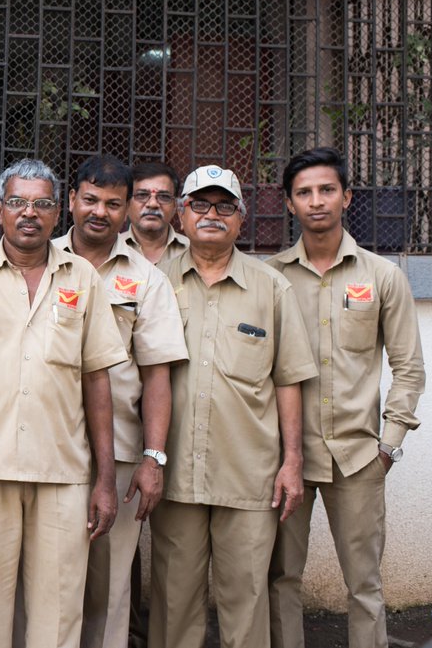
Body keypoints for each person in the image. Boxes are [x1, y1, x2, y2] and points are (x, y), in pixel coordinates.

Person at [0, 158, 127, 648]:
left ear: (57, 211)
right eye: (18, 202)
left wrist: (105, 479)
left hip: (63, 472)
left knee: (59, 613)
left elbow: (97, 381)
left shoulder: (82, 277)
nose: (29, 213)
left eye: (42, 203)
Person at [149, 165, 316, 648]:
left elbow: (288, 379)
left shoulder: (271, 288)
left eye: (225, 206)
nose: (212, 215)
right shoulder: (154, 283)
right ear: (181, 214)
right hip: (174, 474)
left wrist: (292, 462)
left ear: (241, 220)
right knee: (173, 603)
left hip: (249, 476)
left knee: (246, 602)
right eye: (200, 204)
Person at [267, 147, 426, 648]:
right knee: (281, 579)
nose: (317, 201)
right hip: (284, 458)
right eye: (304, 192)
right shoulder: (269, 277)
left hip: (358, 458)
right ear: (290, 204)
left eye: (327, 190)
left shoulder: (382, 277)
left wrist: (389, 445)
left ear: (347, 196)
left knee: (364, 586)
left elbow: (409, 368)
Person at [49, 156, 187, 648]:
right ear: (71, 201)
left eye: (113, 203)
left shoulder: (147, 280)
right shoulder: (41, 262)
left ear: (127, 208)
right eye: (90, 200)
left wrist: (154, 457)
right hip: (48, 449)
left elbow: (157, 376)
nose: (100, 212)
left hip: (124, 454)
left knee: (109, 586)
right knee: (48, 577)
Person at [124, 162, 188, 273]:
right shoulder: (111, 249)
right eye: (142, 195)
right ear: (127, 203)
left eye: (163, 197)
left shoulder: (192, 251)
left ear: (175, 206)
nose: (152, 204)